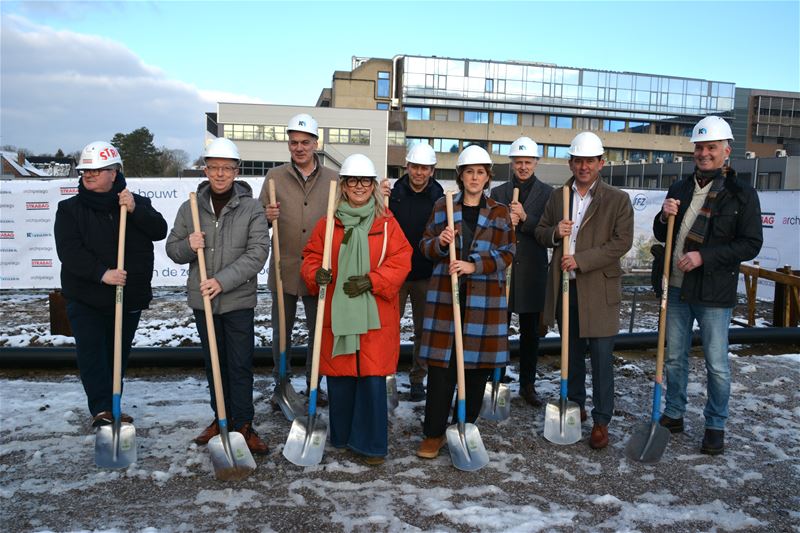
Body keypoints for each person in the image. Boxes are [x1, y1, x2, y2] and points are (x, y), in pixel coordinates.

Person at [654, 116, 762, 455]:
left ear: (726, 151)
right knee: (674, 358)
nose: (704, 153)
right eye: (699, 147)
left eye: (711, 147)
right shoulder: (680, 188)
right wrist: (662, 216)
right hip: (677, 287)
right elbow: (664, 236)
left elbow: (750, 244)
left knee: (716, 362)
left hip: (714, 292)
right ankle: (674, 413)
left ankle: (715, 424)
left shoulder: (741, 194)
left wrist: (704, 256)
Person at [300, 154, 411, 465]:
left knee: (371, 380)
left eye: (365, 181)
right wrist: (315, 274)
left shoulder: (387, 224)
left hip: (375, 316)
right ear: (344, 186)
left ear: (373, 186)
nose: (359, 187)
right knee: (342, 378)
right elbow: (310, 257)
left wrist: (372, 280)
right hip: (338, 315)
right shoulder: (328, 224)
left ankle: (371, 445)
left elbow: (401, 261)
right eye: (353, 181)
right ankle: (344, 438)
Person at [166, 137, 269, 454]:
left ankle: (243, 425)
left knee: (239, 365)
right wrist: (189, 245)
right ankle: (220, 418)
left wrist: (221, 282)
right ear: (205, 169)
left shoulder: (251, 208)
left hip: (237, 301)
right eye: (214, 168)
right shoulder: (190, 208)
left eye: (227, 168)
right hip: (204, 304)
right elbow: (173, 250)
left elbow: (257, 254)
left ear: (236, 170)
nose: (220, 174)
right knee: (214, 365)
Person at [54, 141, 167, 427]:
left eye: (96, 170)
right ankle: (103, 409)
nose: (88, 175)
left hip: (127, 297)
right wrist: (103, 273)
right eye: (85, 170)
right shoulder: (69, 210)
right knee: (92, 354)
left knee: (118, 354)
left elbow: (159, 230)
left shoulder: (134, 202)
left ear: (114, 173)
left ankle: (115, 399)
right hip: (86, 297)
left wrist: (135, 210)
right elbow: (69, 252)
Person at [534, 132, 633, 450]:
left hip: (598, 290)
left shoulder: (617, 200)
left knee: (602, 359)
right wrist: (554, 233)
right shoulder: (558, 196)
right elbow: (539, 232)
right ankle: (574, 408)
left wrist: (580, 260)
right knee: (571, 355)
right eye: (578, 160)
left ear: (601, 163)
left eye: (589, 160)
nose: (583, 166)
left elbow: (621, 243)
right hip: (566, 290)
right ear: (571, 162)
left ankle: (602, 420)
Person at [416, 145, 515, 459]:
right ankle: (433, 433)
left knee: (476, 370)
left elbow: (509, 253)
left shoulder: (499, 212)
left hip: (484, 303)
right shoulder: (443, 206)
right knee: (442, 368)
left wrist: (475, 265)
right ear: (460, 175)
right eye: (469, 171)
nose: (475, 177)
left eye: (481, 172)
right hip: (447, 298)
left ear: (487, 177)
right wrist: (441, 244)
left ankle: (464, 425)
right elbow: (424, 246)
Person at [259, 113, 338, 405]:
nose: (300, 148)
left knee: (319, 331)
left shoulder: (333, 179)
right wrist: (266, 217)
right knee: (281, 332)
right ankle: (282, 385)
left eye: (305, 142)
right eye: (294, 143)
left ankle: (315, 384)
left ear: (316, 143)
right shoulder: (275, 177)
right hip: (284, 268)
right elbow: (258, 219)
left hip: (318, 271)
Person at [489, 136, 553, 406]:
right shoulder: (499, 193)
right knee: (498, 329)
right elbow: (490, 229)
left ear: (536, 163)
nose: (523, 167)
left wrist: (526, 219)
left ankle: (528, 384)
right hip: (504, 270)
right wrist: (507, 221)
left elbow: (549, 232)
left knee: (530, 333)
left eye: (528, 162)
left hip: (532, 273)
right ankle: (497, 378)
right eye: (519, 162)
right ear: (512, 163)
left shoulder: (549, 194)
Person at [380, 143, 444, 402]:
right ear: (407, 167)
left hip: (424, 273)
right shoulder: (393, 194)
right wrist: (377, 195)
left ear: (432, 170)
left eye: (424, 168)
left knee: (423, 330)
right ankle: (387, 375)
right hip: (395, 274)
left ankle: (418, 378)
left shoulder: (439, 198)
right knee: (388, 328)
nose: (419, 172)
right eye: (415, 167)